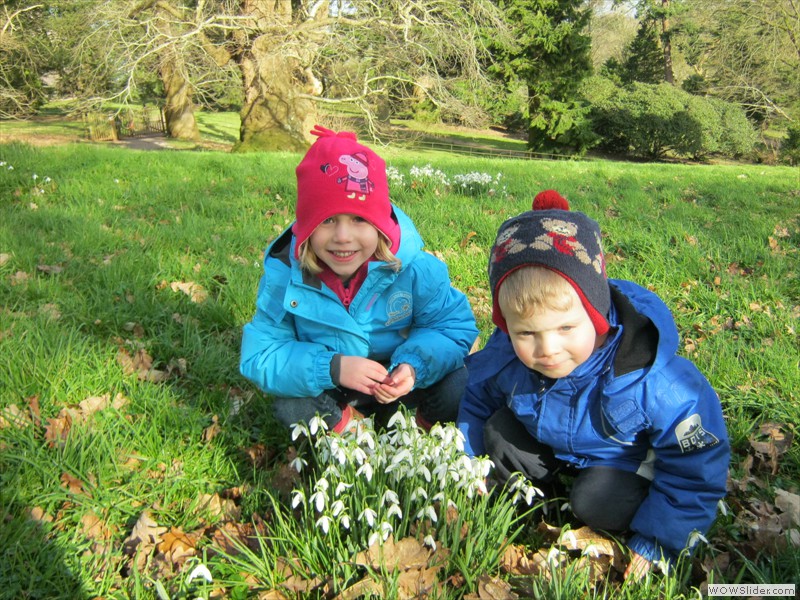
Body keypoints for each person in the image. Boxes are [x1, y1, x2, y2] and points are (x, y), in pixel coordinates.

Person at [457, 190, 729, 579]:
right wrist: (469, 460)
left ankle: (628, 513)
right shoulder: (506, 354)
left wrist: (659, 541)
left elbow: (696, 463)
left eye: (566, 327)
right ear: (506, 327)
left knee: (594, 500)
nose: (547, 349)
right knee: (498, 430)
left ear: (596, 314)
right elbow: (477, 399)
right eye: (526, 332)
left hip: (623, 463)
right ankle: (535, 499)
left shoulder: (653, 378)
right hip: (554, 444)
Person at [240, 125, 478, 434]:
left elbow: (452, 327)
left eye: (359, 220)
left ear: (380, 226)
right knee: (292, 406)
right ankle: (350, 432)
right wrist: (332, 368)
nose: (342, 237)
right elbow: (261, 354)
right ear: (307, 226)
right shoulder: (287, 276)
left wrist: (413, 367)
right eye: (326, 221)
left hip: (399, 384)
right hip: (333, 387)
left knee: (461, 382)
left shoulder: (415, 268)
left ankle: (419, 437)